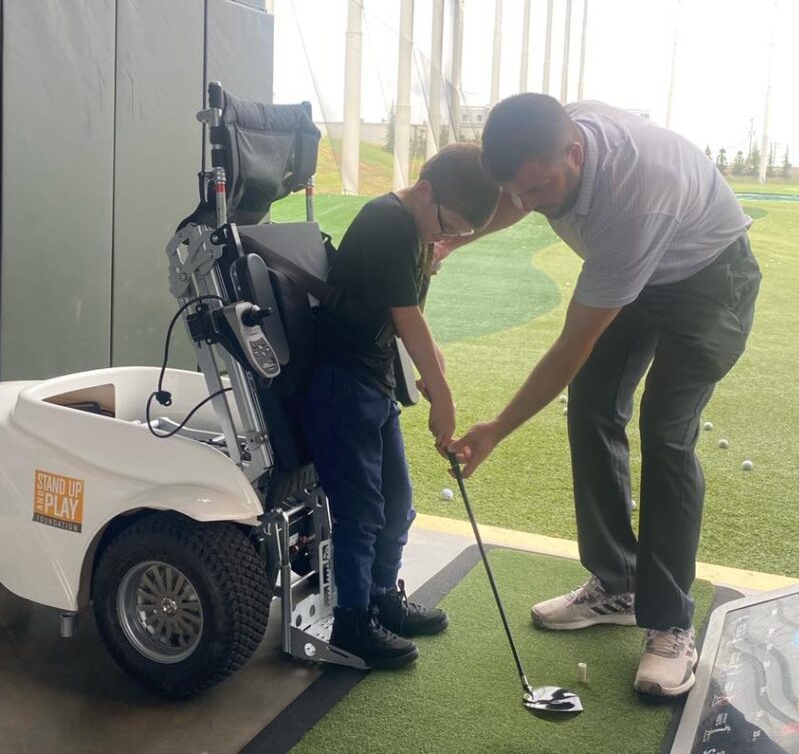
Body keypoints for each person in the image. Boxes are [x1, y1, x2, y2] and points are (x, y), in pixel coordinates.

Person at [446, 94, 761, 696]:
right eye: (519, 192)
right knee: (593, 408)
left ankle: (671, 623)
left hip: (709, 278)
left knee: (665, 433)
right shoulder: (552, 147)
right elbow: (518, 196)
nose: (529, 204)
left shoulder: (631, 198)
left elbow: (573, 345)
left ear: (575, 152)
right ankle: (617, 583)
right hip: (643, 268)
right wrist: (460, 238)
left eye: (540, 189)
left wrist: (497, 428)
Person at [300, 143, 499, 668]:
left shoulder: (416, 230)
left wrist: (434, 377)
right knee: (361, 512)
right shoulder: (387, 221)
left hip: (374, 382)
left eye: (456, 235)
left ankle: (383, 598)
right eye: (447, 225)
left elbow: (415, 321)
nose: (445, 238)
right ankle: (352, 621)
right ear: (426, 191)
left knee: (397, 503)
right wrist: (444, 397)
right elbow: (407, 319)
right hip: (343, 386)